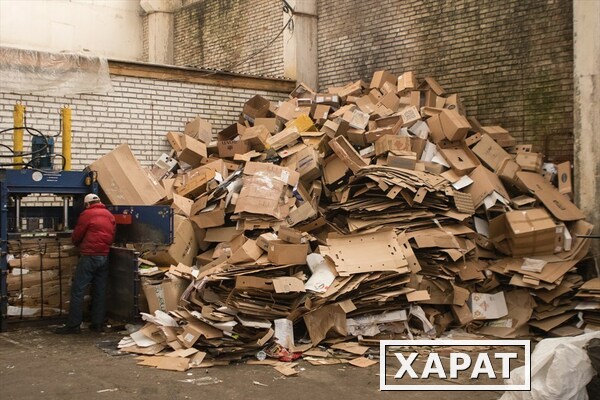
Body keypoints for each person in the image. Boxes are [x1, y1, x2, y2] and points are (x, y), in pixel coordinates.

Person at [55, 193, 116, 334]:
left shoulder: (87, 214)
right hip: (104, 256)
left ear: (87, 204)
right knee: (99, 290)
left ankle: (73, 325)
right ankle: (97, 324)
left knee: (78, 291)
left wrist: (76, 243)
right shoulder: (109, 215)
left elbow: (77, 234)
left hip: (89, 256)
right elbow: (112, 235)